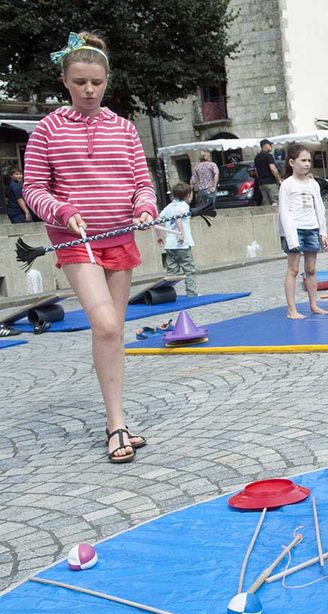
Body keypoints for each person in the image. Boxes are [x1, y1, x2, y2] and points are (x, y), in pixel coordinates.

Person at [22, 31, 155, 463]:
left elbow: (141, 183)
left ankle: (115, 419)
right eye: (80, 81)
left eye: (96, 81)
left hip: (120, 238)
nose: (89, 90)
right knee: (107, 325)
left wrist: (145, 208)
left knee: (112, 332)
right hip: (75, 241)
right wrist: (62, 212)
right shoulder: (47, 129)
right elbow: (34, 189)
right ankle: (116, 425)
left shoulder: (125, 129)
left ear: (107, 79)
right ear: (65, 80)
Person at [277, 143, 328, 319]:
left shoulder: (313, 184)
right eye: (303, 160)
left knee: (311, 268)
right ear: (292, 162)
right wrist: (291, 239)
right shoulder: (287, 184)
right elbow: (284, 212)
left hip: (311, 228)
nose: (307, 164)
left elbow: (320, 208)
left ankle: (314, 304)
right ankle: (292, 309)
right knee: (293, 269)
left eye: (309, 160)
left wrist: (322, 232)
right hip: (295, 229)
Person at [156, 182, 198, 296]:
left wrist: (159, 236)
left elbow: (157, 220)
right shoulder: (183, 206)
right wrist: (181, 233)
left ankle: (166, 294)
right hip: (182, 244)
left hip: (170, 244)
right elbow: (178, 218)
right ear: (188, 195)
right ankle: (191, 293)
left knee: (172, 270)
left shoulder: (169, 206)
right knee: (189, 268)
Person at [254, 139, 282, 206]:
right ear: (265, 145)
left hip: (261, 183)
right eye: (270, 145)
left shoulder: (256, 157)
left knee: (266, 203)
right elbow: (273, 169)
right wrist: (279, 180)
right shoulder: (268, 156)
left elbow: (256, 171)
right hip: (270, 182)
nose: (271, 146)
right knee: (275, 201)